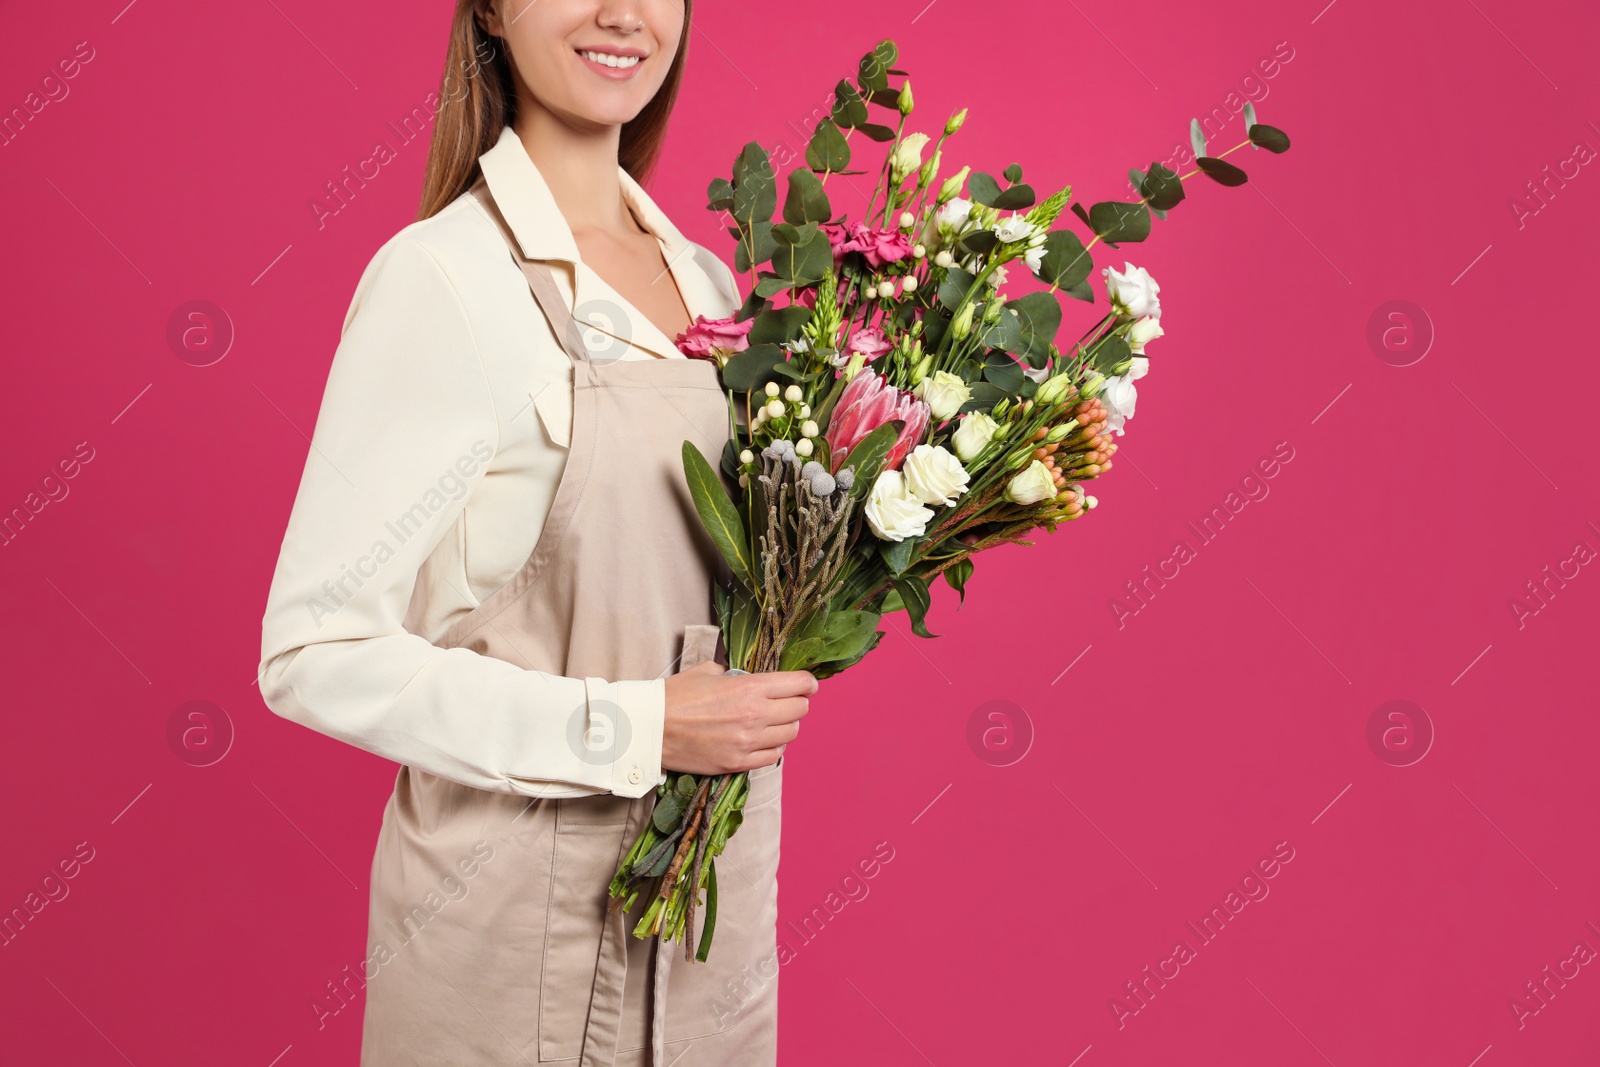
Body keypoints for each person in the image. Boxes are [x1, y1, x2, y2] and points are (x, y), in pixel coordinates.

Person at [256, 2, 814, 1063]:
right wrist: (635, 726)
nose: (620, 13)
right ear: (493, 13)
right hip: (514, 960)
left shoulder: (709, 281)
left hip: (704, 950)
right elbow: (311, 653)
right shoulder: (445, 281)